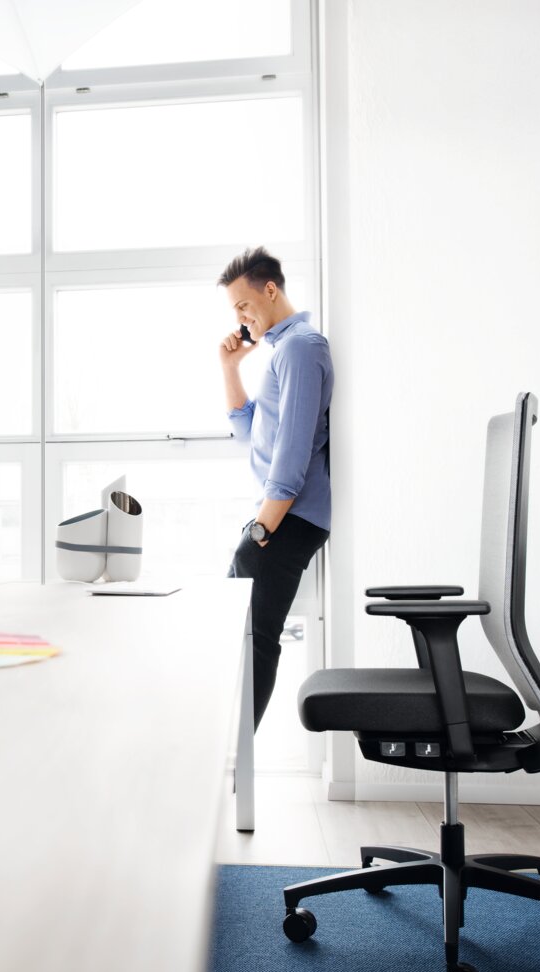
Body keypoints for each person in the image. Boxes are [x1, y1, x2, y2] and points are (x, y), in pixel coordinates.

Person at [217, 247, 332, 731]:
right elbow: (248, 432)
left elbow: (292, 451)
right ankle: (225, 762)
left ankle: (229, 768)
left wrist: (262, 528)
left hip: (286, 518)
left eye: (244, 305)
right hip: (277, 517)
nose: (240, 318)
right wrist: (230, 368)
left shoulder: (302, 348)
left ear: (271, 290)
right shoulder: (282, 352)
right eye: (233, 311)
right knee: (237, 637)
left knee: (255, 641)